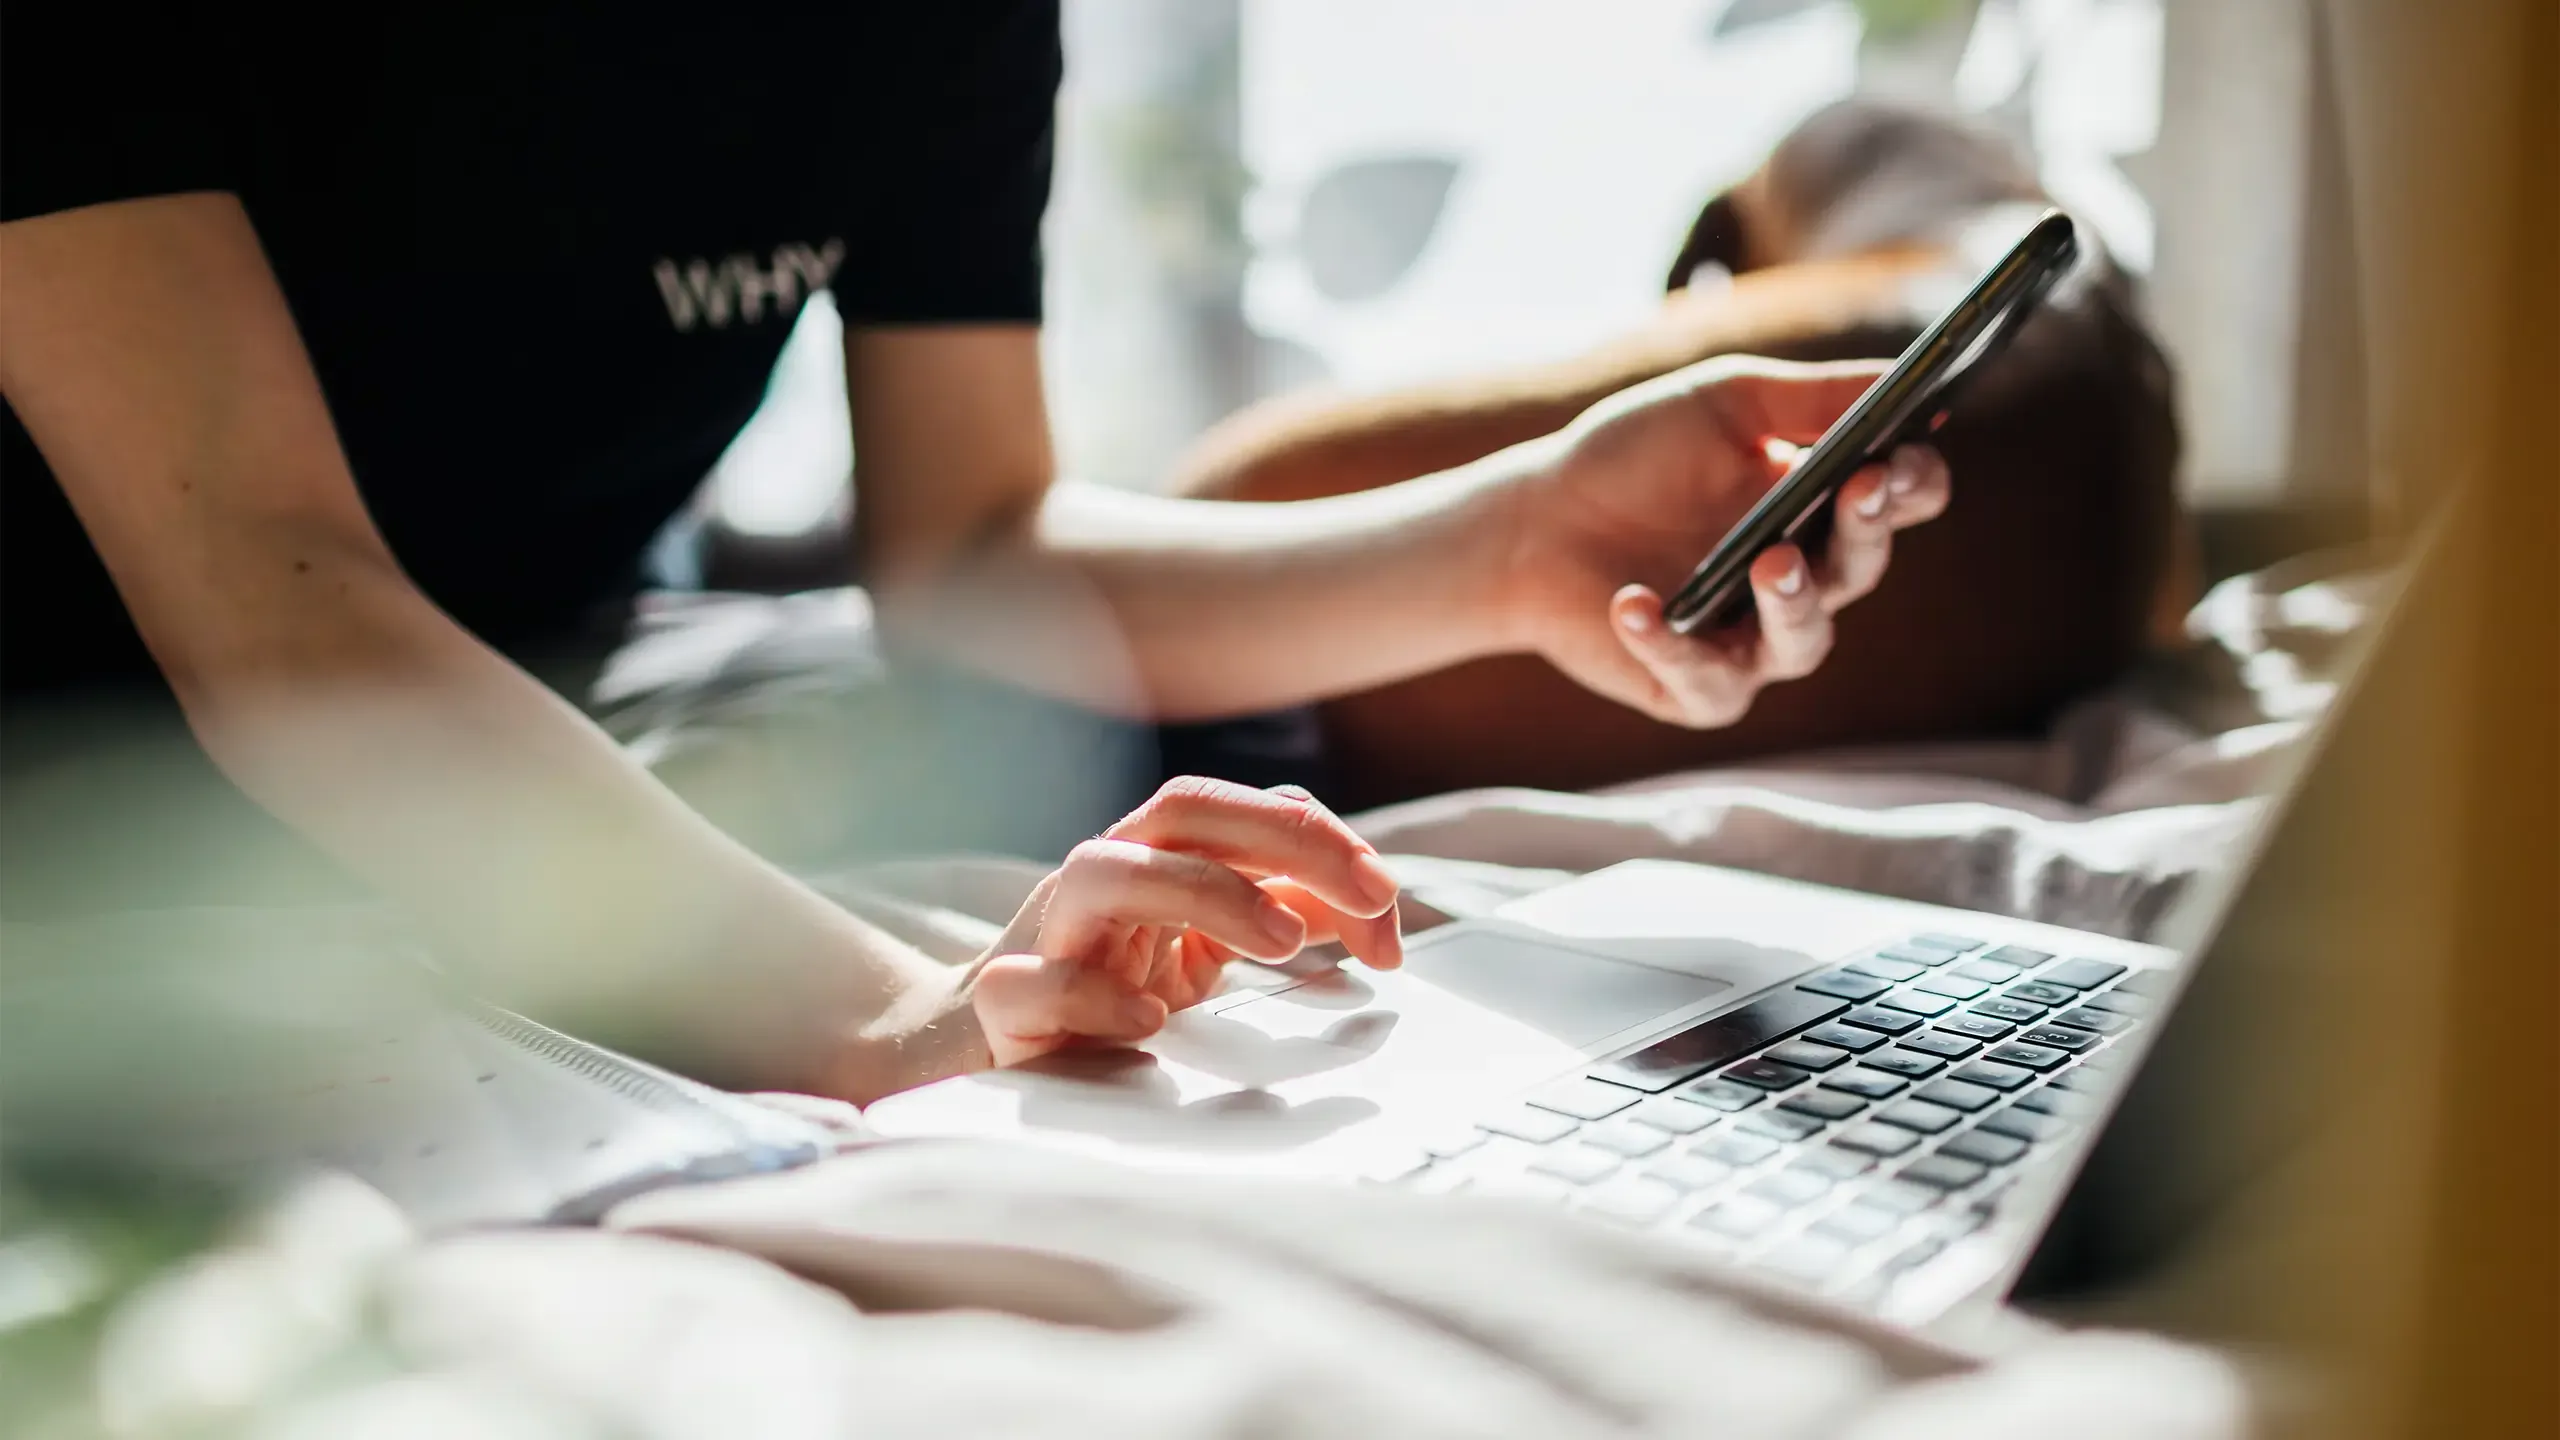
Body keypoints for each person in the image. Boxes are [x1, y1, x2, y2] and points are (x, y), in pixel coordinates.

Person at [0, 4, 1951, 1105]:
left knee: (1172, 758)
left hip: (529, 649)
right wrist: (880, 1014)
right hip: (101, 714)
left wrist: (1512, 539)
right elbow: (276, 600)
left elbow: (974, 552)